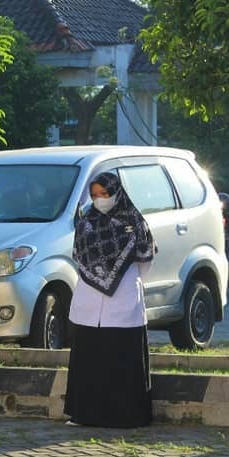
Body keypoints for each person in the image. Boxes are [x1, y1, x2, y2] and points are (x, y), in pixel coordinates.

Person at [64, 172, 155, 428]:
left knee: (122, 359)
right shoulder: (86, 221)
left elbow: (144, 261)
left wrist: (123, 279)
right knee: (90, 360)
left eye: (104, 194)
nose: (100, 200)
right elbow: (78, 255)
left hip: (124, 300)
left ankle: (126, 416)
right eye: (94, 195)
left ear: (116, 192)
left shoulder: (135, 222)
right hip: (89, 303)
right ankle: (84, 414)